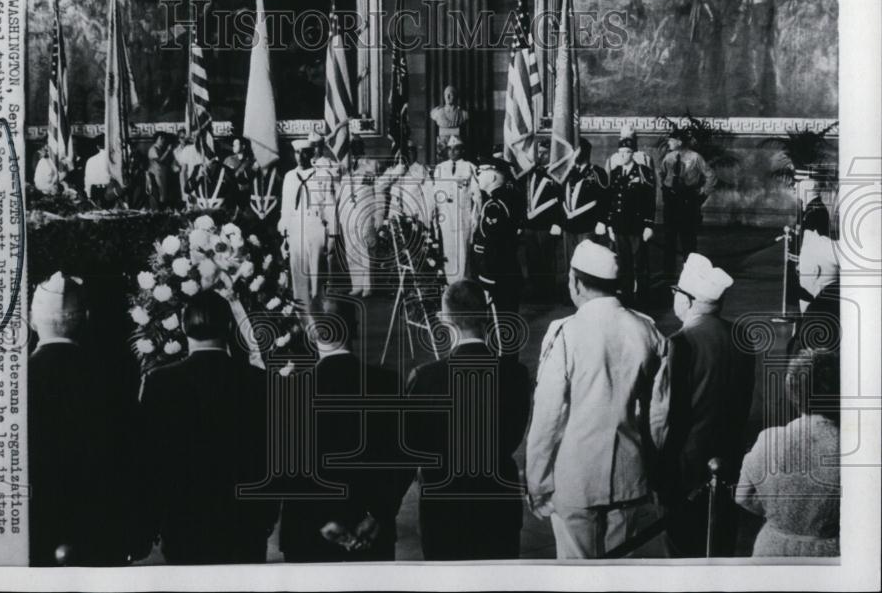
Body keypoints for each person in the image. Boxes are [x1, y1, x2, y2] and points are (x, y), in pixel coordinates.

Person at [525, 240, 670, 559]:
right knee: (620, 571)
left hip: (576, 476)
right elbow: (659, 417)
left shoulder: (565, 333)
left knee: (577, 575)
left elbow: (548, 418)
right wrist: (650, 468)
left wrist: (537, 480)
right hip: (629, 475)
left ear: (575, 282)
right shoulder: (648, 331)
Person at [139, 292, 275, 564]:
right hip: (245, 523)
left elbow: (148, 458)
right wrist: (266, 516)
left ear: (182, 324)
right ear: (229, 327)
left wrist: (152, 520)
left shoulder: (160, 382)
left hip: (182, 522)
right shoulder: (260, 382)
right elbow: (273, 455)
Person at [405, 280, 530, 560]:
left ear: (446, 319)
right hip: (499, 503)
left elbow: (411, 445)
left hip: (442, 506)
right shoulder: (515, 375)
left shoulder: (426, 378)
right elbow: (513, 434)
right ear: (486, 317)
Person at [278, 295, 409, 562]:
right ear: (355, 328)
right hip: (373, 533)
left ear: (311, 333)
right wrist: (378, 515)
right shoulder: (388, 384)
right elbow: (404, 459)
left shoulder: (292, 390)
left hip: (308, 534)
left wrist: (322, 518)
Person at [28, 272, 143, 565]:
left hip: (34, 534)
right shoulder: (114, 380)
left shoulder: (13, 382)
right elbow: (133, 458)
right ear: (86, 317)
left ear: (31, 320)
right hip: (101, 534)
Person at [660, 253, 754, 557]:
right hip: (729, 462)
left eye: (676, 293)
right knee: (721, 546)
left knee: (684, 550)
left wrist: (659, 471)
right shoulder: (741, 337)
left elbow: (668, 416)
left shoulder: (681, 342)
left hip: (687, 471)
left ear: (687, 300)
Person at [735, 349, 840, 557]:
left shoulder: (769, 440)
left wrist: (780, 515)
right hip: (829, 556)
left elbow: (742, 497)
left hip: (772, 549)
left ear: (792, 393)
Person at [471, 156, 523, 352]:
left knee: (500, 331)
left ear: (492, 177)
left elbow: (496, 248)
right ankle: (508, 371)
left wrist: (487, 282)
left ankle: (505, 375)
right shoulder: (505, 198)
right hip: (505, 275)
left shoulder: (495, 206)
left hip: (497, 278)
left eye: (481, 172)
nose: (478, 176)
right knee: (505, 328)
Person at [279, 139, 337, 308]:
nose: (300, 156)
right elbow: (286, 208)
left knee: (317, 273)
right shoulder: (289, 177)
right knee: (297, 273)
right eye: (297, 152)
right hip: (296, 226)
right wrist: (285, 235)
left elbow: (330, 206)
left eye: (304, 152)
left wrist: (332, 235)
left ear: (312, 154)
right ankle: (303, 314)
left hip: (315, 225)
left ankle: (319, 311)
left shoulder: (323, 176)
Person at [607, 130, 656, 307]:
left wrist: (649, 225)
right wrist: (610, 225)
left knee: (639, 263)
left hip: (636, 226)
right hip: (620, 226)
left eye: (627, 153)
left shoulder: (643, 172)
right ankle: (626, 296)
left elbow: (650, 200)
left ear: (633, 153)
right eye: (620, 153)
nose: (623, 156)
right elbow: (611, 200)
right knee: (624, 263)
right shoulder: (615, 173)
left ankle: (643, 297)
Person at [659, 125, 716, 277]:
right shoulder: (669, 158)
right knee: (669, 237)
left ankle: (690, 273)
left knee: (688, 239)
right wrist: (666, 190)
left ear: (679, 141)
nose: (668, 143)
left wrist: (702, 195)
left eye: (671, 140)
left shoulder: (695, 157)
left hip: (687, 201)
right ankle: (668, 273)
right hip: (671, 201)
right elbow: (662, 174)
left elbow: (710, 176)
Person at [431, 136, 480, 284]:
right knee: (448, 249)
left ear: (462, 150)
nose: (452, 152)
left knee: (463, 250)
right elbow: (435, 193)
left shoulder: (469, 167)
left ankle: (463, 282)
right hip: (445, 216)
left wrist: (475, 218)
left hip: (462, 216)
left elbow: (477, 196)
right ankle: (450, 283)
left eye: (456, 148)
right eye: (450, 149)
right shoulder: (440, 168)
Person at [336, 135, 379, 297]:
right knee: (351, 248)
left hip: (364, 211)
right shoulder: (346, 166)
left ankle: (368, 285)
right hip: (348, 212)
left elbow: (369, 181)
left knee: (364, 248)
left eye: (358, 145)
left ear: (363, 146)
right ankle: (357, 284)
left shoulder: (370, 164)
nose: (355, 149)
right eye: (353, 146)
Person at [521, 138, 563, 298]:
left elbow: (562, 199)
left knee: (547, 259)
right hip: (530, 224)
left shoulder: (556, 173)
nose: (541, 155)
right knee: (532, 259)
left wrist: (557, 222)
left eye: (544, 153)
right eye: (539, 152)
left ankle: (548, 292)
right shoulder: (531, 172)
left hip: (547, 224)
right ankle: (535, 291)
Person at [789, 229, 841, 355]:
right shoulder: (839, 297)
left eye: (800, 270)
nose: (799, 273)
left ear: (814, 271)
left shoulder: (818, 313)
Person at [561, 137, 610, 271]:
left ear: (586, 153)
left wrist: (602, 221)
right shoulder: (568, 172)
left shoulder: (597, 173)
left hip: (587, 226)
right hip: (568, 226)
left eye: (577, 151)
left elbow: (605, 199)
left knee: (586, 265)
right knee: (569, 264)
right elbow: (561, 197)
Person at [429, 84, 469, 156]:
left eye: (450, 94)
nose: (447, 97)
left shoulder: (463, 114)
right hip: (442, 141)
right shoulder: (437, 112)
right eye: (446, 95)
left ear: (456, 96)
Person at [83, 135, 113, 205]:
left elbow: (88, 179)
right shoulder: (113, 160)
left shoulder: (90, 160)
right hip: (109, 190)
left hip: (95, 191)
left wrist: (88, 196)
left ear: (97, 146)